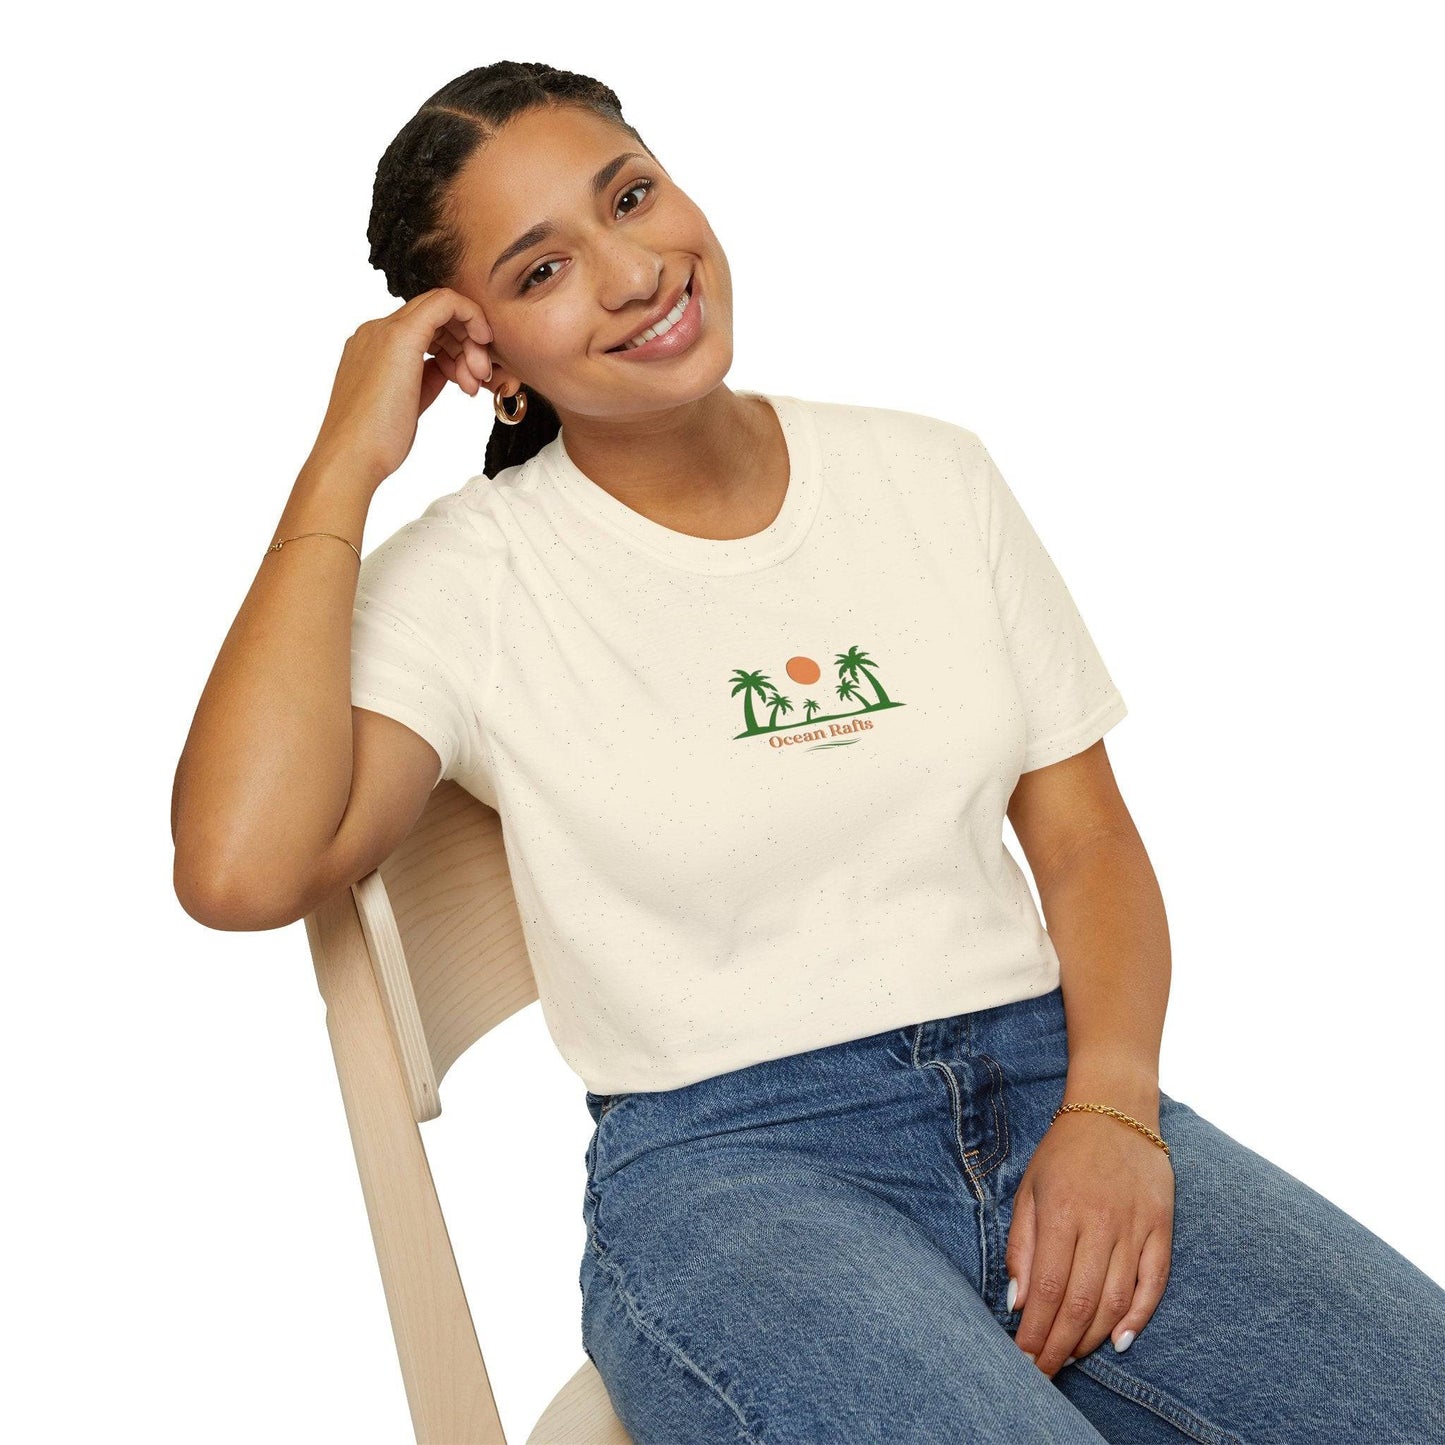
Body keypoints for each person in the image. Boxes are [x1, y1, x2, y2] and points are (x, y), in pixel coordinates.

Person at [171, 60, 1445, 1444]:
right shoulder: (472, 578)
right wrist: (340, 462)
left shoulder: (928, 475)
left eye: (632, 196)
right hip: (731, 1172)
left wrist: (1113, 1109)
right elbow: (240, 867)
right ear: (480, 356)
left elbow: (1085, 846)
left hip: (1046, 1083)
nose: (634, 271)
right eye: (542, 271)